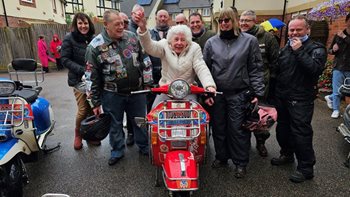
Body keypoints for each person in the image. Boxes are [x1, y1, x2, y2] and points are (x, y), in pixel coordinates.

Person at [203, 8, 264, 179]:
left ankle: (240, 162)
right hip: (218, 94)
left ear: (235, 20)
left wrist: (257, 93)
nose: (223, 23)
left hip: (240, 93)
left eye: (227, 20)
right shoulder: (211, 43)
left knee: (238, 130)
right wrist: (206, 93)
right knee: (219, 128)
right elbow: (204, 69)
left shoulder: (249, 41)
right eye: (220, 21)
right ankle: (222, 157)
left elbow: (256, 68)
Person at [85, 10, 149, 166]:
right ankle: (117, 150)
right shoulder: (95, 46)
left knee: (140, 121)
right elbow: (90, 76)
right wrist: (95, 102)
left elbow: (145, 60)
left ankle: (144, 146)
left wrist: (147, 83)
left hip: (137, 91)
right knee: (115, 124)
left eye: (122, 23)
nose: (121, 27)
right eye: (117, 24)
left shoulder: (132, 37)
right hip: (112, 94)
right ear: (106, 25)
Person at [271, 15, 327, 183]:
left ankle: (306, 168)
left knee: (301, 133)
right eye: (291, 30)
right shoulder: (286, 47)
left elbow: (314, 70)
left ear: (307, 30)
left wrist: (300, 51)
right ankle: (286, 154)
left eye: (298, 29)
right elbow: (279, 71)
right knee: (283, 130)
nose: (294, 33)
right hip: (283, 97)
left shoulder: (316, 48)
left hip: (301, 99)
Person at [134, 10, 216, 106]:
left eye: (183, 39)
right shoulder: (164, 45)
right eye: (176, 39)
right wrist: (143, 29)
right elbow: (150, 47)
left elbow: (201, 67)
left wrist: (209, 85)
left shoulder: (194, 47)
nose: (179, 43)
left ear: (188, 41)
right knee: (155, 115)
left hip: (188, 92)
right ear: (170, 41)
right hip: (166, 92)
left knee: (196, 115)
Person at [239, 10, 279, 157]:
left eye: (247, 20)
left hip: (262, 86)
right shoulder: (237, 37)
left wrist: (271, 85)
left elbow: (275, 62)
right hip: (243, 85)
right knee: (244, 116)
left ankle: (261, 142)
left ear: (254, 21)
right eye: (242, 20)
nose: (243, 23)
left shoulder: (267, 38)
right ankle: (244, 145)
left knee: (261, 117)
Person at [61, 12, 99, 150]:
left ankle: (90, 134)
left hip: (93, 80)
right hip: (78, 80)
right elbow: (64, 59)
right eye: (80, 23)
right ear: (76, 25)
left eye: (85, 23)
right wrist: (83, 70)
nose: (83, 26)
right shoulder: (69, 38)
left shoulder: (94, 39)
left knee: (92, 108)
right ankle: (78, 134)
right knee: (83, 110)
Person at [325, 13, 350, 119]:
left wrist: (344, 37)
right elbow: (329, 50)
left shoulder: (342, 35)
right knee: (337, 90)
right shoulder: (338, 35)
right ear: (347, 21)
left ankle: (329, 97)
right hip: (339, 66)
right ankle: (335, 110)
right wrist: (333, 50)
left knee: (347, 90)